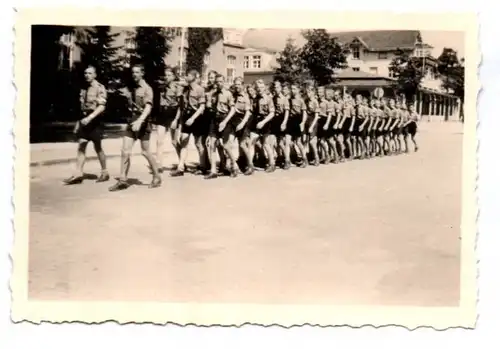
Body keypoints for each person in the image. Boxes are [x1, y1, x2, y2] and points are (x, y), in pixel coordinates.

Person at [109, 64, 161, 191]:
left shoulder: (147, 89)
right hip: (132, 121)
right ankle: (123, 180)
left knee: (145, 152)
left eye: (137, 72)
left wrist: (140, 121)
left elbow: (148, 108)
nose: (134, 75)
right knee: (125, 151)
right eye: (133, 72)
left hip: (143, 122)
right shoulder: (131, 87)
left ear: (142, 73)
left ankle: (157, 176)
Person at [64, 65, 109, 185]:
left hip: (95, 120)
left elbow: (102, 106)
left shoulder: (100, 87)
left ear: (95, 75)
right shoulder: (84, 88)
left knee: (98, 147)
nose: (87, 75)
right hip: (84, 119)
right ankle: (78, 174)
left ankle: (105, 172)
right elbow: (82, 107)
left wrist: (90, 117)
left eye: (89, 73)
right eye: (85, 73)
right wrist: (78, 123)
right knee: (81, 145)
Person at [170, 69, 207, 177]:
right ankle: (180, 168)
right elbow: (177, 85)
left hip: (197, 117)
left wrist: (193, 118)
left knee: (199, 143)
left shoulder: (200, 89)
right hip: (186, 116)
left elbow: (202, 107)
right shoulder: (185, 89)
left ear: (195, 77)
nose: (186, 76)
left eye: (188, 75)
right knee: (183, 141)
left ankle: (203, 166)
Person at [206, 74, 240, 178]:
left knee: (226, 146)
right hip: (214, 119)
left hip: (225, 119)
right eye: (217, 82)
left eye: (221, 81)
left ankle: (235, 165)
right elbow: (210, 107)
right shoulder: (213, 94)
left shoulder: (228, 94)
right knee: (212, 144)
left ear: (224, 82)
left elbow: (233, 110)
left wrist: (224, 122)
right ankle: (213, 171)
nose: (219, 83)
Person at [155, 67, 179, 172]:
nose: (167, 77)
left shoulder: (177, 87)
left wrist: (176, 120)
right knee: (159, 141)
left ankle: (181, 161)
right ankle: (159, 165)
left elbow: (180, 106)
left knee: (174, 141)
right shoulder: (162, 87)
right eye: (166, 75)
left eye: (169, 75)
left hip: (173, 114)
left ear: (174, 76)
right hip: (162, 114)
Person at [253, 79, 276, 173]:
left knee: (266, 144)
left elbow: (272, 113)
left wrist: (263, 122)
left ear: (264, 88)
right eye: (258, 88)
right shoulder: (255, 98)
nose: (259, 89)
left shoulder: (268, 98)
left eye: (261, 87)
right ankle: (261, 159)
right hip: (257, 121)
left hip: (265, 121)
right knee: (256, 142)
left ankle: (272, 163)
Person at [272, 81, 292, 169]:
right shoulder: (273, 98)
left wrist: (284, 123)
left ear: (280, 88)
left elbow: (287, 112)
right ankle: (281, 158)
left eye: (277, 87)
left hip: (283, 119)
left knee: (282, 142)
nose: (275, 89)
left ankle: (287, 160)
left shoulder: (284, 99)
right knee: (277, 142)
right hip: (275, 120)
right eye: (274, 87)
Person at [288, 83, 308, 168]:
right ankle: (295, 158)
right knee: (290, 142)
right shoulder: (289, 99)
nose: (293, 91)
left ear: (298, 90)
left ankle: (305, 159)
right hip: (291, 120)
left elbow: (304, 113)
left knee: (298, 142)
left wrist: (303, 123)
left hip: (297, 120)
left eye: (294, 89)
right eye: (291, 89)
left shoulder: (301, 100)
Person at [316, 86, 333, 164]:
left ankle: (330, 155)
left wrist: (327, 124)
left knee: (327, 140)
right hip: (319, 121)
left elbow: (329, 114)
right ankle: (325, 156)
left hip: (326, 121)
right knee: (321, 141)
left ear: (323, 93)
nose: (319, 93)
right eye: (318, 92)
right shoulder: (317, 101)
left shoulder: (327, 102)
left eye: (320, 92)